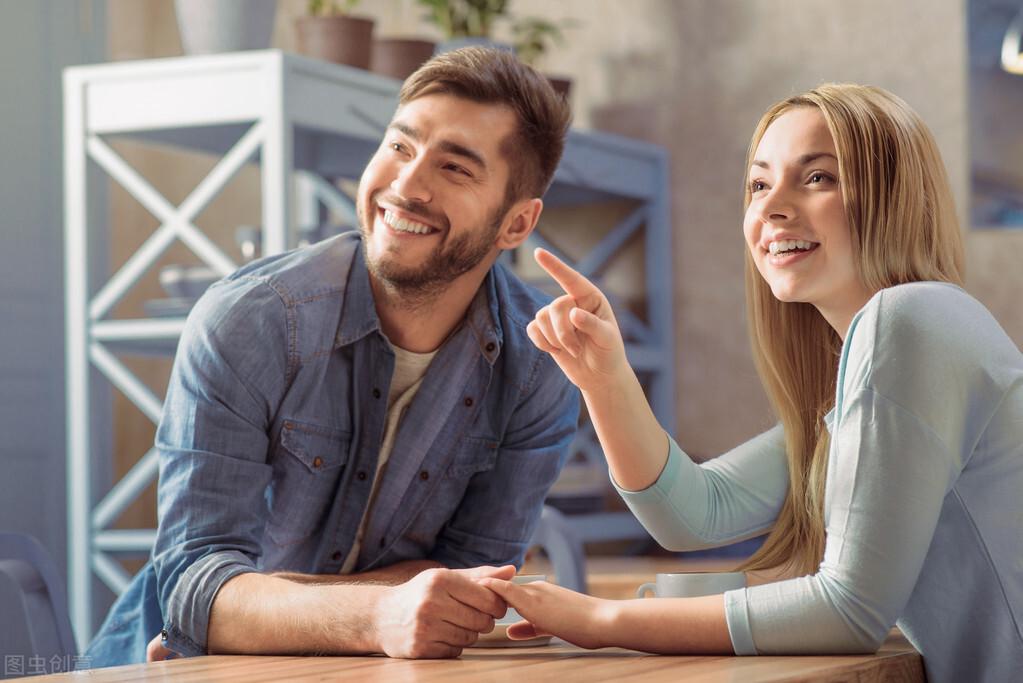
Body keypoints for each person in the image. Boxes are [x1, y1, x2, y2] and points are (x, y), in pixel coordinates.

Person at [480, 84, 1023, 683]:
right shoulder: (903, 342)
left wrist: (602, 621)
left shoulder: (912, 320)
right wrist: (604, 377)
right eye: (760, 184)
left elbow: (848, 609)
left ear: (897, 199)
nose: (771, 209)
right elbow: (695, 514)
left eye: (817, 178)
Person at [86, 47, 578, 665]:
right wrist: (377, 613)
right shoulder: (249, 322)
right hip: (169, 668)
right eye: (399, 147)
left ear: (516, 224)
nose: (405, 185)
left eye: (454, 168)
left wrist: (266, 607)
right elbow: (190, 591)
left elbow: (469, 592)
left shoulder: (537, 365)